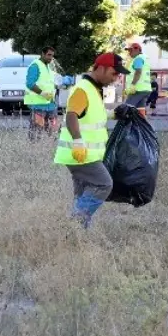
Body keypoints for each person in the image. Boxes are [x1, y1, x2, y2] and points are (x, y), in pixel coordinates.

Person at [56, 52, 128, 229]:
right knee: (103, 184)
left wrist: (114, 114)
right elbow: (72, 115)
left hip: (84, 153)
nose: (116, 78)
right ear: (101, 68)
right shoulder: (83, 89)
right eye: (114, 73)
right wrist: (78, 142)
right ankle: (73, 224)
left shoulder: (94, 89)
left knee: (82, 194)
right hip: (80, 153)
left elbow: (89, 117)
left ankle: (77, 234)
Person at [24, 46, 60, 140]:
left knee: (52, 127)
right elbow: (30, 84)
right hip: (37, 104)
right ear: (42, 54)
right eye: (48, 55)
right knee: (36, 129)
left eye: (52, 55)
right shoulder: (35, 65)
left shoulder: (47, 66)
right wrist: (42, 93)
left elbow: (47, 83)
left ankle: (49, 145)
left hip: (49, 103)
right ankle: (34, 148)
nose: (50, 57)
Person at [123, 42, 151, 117]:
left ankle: (124, 127)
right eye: (128, 51)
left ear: (137, 50)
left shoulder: (138, 59)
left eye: (131, 50)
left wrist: (132, 85)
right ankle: (143, 128)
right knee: (140, 113)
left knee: (126, 109)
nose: (129, 52)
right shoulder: (144, 58)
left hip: (137, 90)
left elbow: (138, 72)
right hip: (145, 90)